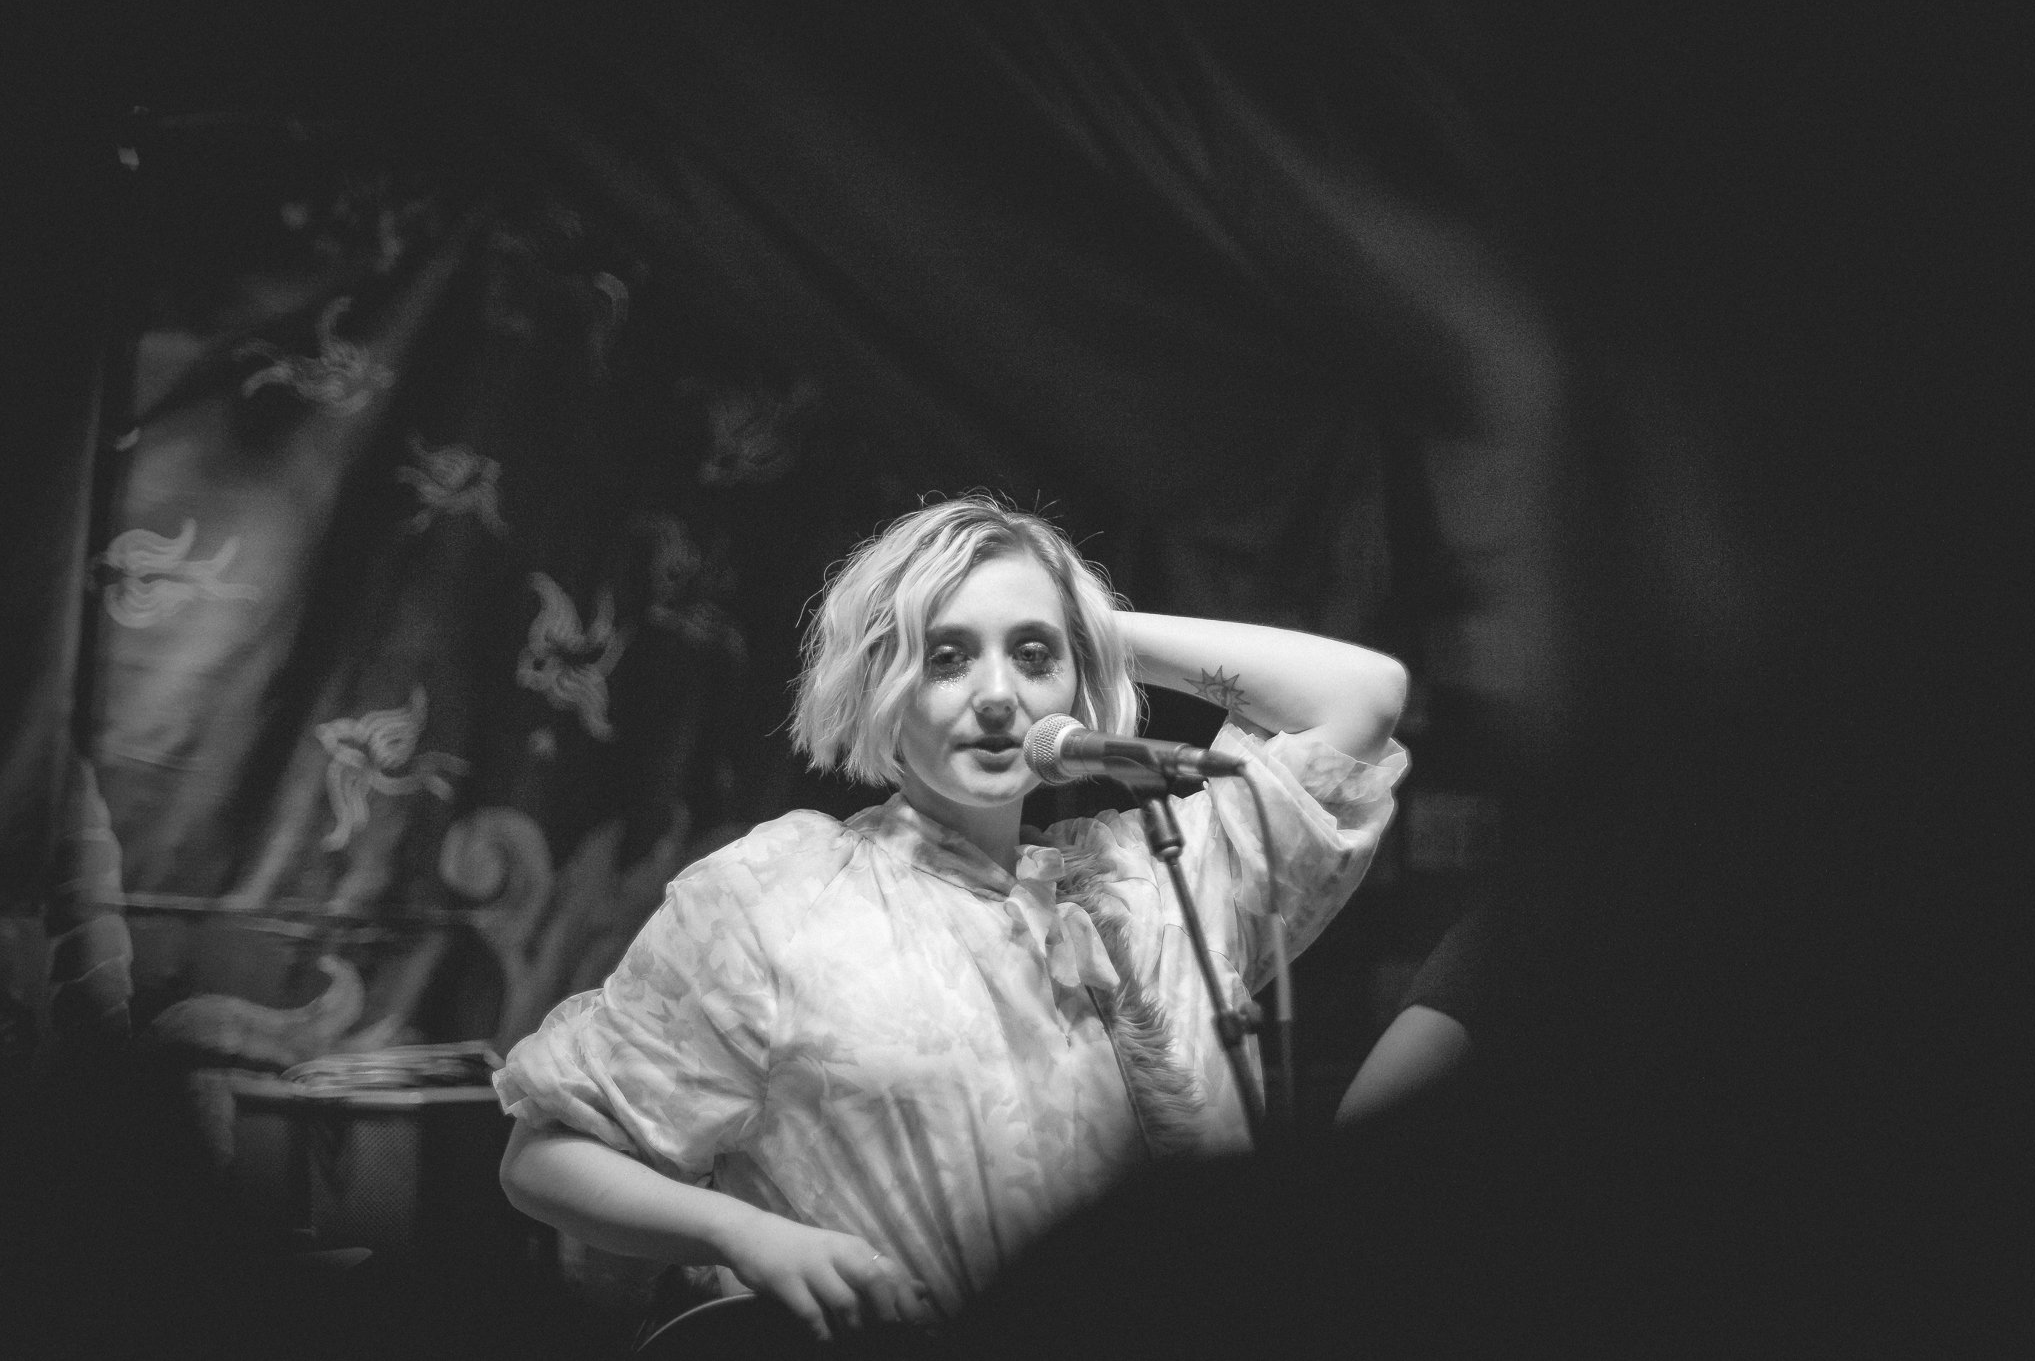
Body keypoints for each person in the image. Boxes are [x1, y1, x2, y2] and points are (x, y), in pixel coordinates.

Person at [494, 494, 1409, 1344]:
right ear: (881, 683)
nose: (1000, 693)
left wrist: (1084, 623)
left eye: (1034, 656)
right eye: (947, 655)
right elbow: (544, 1157)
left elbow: (1361, 694)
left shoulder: (1151, 874)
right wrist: (748, 1236)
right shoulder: (779, 897)